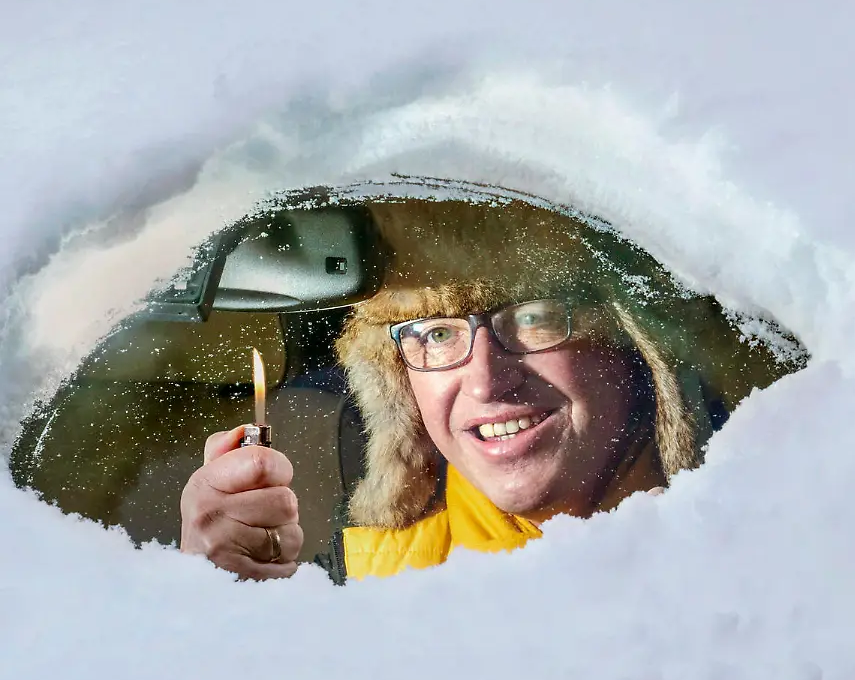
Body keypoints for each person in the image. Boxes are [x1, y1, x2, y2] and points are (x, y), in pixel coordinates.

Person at [180, 199, 725, 581]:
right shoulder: (370, 586)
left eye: (532, 318)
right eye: (436, 333)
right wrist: (222, 600)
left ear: (636, 344)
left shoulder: (758, 551)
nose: (487, 380)